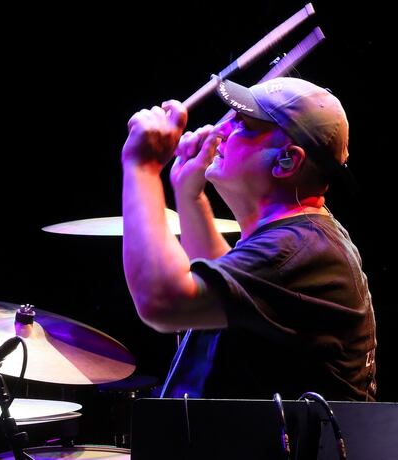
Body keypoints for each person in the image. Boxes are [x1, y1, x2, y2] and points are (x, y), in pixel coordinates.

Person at [121, 77, 377, 401]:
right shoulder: (298, 239)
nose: (221, 131)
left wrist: (141, 167)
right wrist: (189, 194)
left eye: (243, 124)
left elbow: (162, 302)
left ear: (288, 160)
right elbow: (228, 288)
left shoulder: (297, 250)